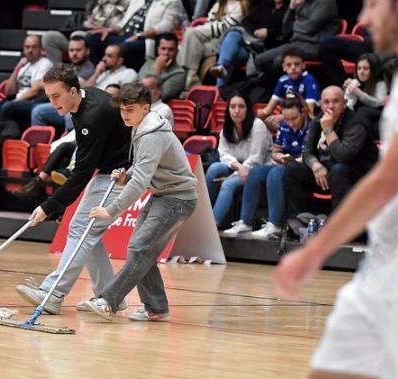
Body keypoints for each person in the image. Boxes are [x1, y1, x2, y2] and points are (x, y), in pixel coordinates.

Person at [274, 0, 398, 379]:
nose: (365, 19)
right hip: (382, 272)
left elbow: (389, 177)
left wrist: (315, 251)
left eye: (375, 4)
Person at [14, 64, 131, 315]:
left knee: (81, 229)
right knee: (89, 233)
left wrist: (47, 207)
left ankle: (54, 293)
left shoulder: (92, 116)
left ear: (73, 91)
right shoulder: (83, 101)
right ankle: (110, 297)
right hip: (110, 170)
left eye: (57, 96)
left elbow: (81, 174)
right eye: (49, 97)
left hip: (120, 176)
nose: (53, 102)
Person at [83, 82, 197, 322]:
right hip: (164, 195)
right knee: (141, 251)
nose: (125, 114)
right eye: (122, 109)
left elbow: (139, 183)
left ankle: (108, 301)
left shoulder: (151, 135)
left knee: (140, 249)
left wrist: (111, 210)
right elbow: (143, 167)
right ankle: (156, 308)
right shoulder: (142, 126)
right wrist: (127, 174)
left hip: (177, 199)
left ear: (145, 108)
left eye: (130, 109)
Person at [282, 85, 378, 219]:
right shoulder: (319, 119)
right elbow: (307, 152)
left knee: (339, 170)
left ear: (344, 103)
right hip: (327, 172)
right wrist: (316, 166)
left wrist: (328, 130)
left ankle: (340, 225)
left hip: (359, 175)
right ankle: (297, 221)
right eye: (326, 102)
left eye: (336, 101)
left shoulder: (357, 123)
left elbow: (343, 156)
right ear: (320, 104)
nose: (331, 106)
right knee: (293, 170)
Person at [223, 95, 309, 238]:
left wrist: (295, 160)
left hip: (303, 167)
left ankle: (274, 224)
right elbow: (276, 150)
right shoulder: (283, 126)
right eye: (286, 119)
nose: (290, 123)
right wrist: (279, 156)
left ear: (303, 113)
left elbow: (311, 154)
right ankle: (245, 222)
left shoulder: (311, 127)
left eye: (294, 118)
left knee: (274, 174)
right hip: (284, 164)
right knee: (255, 172)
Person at [205, 92, 272, 226]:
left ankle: (211, 226)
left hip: (258, 169)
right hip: (240, 167)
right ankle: (204, 214)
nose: (236, 111)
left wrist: (233, 175)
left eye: (241, 106)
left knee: (227, 184)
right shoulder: (227, 127)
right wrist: (238, 167)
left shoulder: (257, 125)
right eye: (233, 107)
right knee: (214, 168)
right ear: (228, 109)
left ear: (248, 109)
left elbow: (256, 158)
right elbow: (223, 153)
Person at [85, 0, 185, 71]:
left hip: (146, 40)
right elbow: (124, 21)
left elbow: (168, 25)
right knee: (92, 38)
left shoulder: (173, 1)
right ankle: (100, 71)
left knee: (125, 47)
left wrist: (140, 35)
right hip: (125, 35)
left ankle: (126, 76)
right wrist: (109, 29)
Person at [209, 0, 287, 87]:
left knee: (229, 54)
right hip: (251, 43)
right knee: (233, 34)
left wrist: (269, 33)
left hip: (266, 49)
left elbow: (288, 32)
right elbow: (246, 21)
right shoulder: (265, 6)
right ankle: (221, 66)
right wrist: (255, 32)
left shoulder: (289, 10)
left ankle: (219, 88)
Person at [254, 0, 340, 79]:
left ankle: (289, 91)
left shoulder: (326, 2)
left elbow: (309, 27)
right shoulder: (302, 2)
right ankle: (274, 91)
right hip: (297, 42)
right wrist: (291, 8)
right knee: (260, 60)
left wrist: (295, 24)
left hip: (315, 45)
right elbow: (286, 28)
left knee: (279, 61)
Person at [176, 0, 249, 88]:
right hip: (212, 40)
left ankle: (186, 76)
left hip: (228, 44)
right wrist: (199, 29)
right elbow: (209, 22)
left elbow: (225, 27)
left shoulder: (241, 6)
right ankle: (190, 77)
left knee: (190, 35)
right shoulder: (219, 4)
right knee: (191, 41)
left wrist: (199, 29)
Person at [30, 36, 96, 131]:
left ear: (87, 50)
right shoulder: (70, 67)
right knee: (37, 111)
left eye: (78, 50)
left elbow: (81, 86)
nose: (74, 53)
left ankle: (67, 143)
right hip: (62, 101)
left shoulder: (90, 69)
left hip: (77, 104)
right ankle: (38, 144)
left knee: (70, 114)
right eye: (71, 50)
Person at [258, 47, 321, 130]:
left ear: (303, 65)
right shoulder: (283, 80)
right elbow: (268, 110)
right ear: (283, 67)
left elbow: (309, 111)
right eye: (289, 65)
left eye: (297, 64)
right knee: (262, 123)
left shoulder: (309, 80)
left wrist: (284, 117)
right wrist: (258, 116)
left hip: (308, 122)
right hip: (290, 119)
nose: (293, 67)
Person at [0, 35, 53, 126]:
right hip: (20, 100)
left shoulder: (45, 64)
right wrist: (17, 67)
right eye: (27, 47)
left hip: (35, 101)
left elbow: (35, 90)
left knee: (8, 106)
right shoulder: (24, 66)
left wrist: (15, 101)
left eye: (34, 47)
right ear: (23, 49)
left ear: (40, 49)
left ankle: (1, 132)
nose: (30, 50)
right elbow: (8, 91)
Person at [137, 33, 187, 101]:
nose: (166, 53)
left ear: (176, 52)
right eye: (163, 49)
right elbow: (134, 86)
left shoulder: (179, 73)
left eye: (171, 49)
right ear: (158, 50)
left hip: (157, 108)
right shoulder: (148, 63)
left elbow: (159, 96)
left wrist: (158, 70)